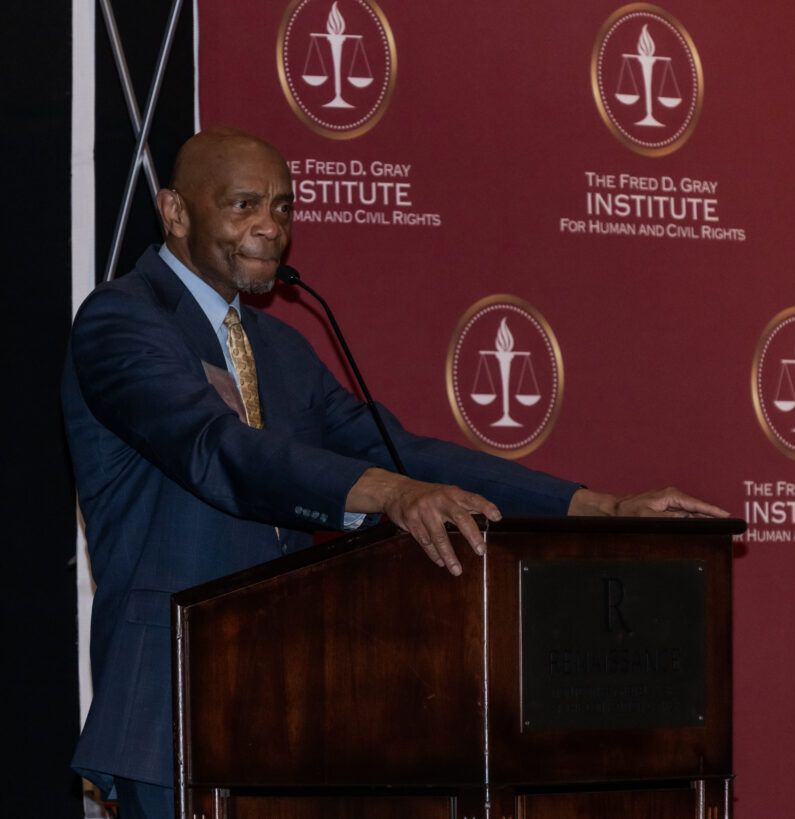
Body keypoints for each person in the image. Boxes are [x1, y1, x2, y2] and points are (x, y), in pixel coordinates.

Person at [62, 128, 727, 818]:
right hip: (171, 707)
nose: (271, 226)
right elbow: (215, 449)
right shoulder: (122, 320)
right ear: (175, 212)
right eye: (244, 204)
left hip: (293, 715)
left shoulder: (281, 349)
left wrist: (597, 507)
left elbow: (401, 452)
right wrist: (391, 494)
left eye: (284, 207)